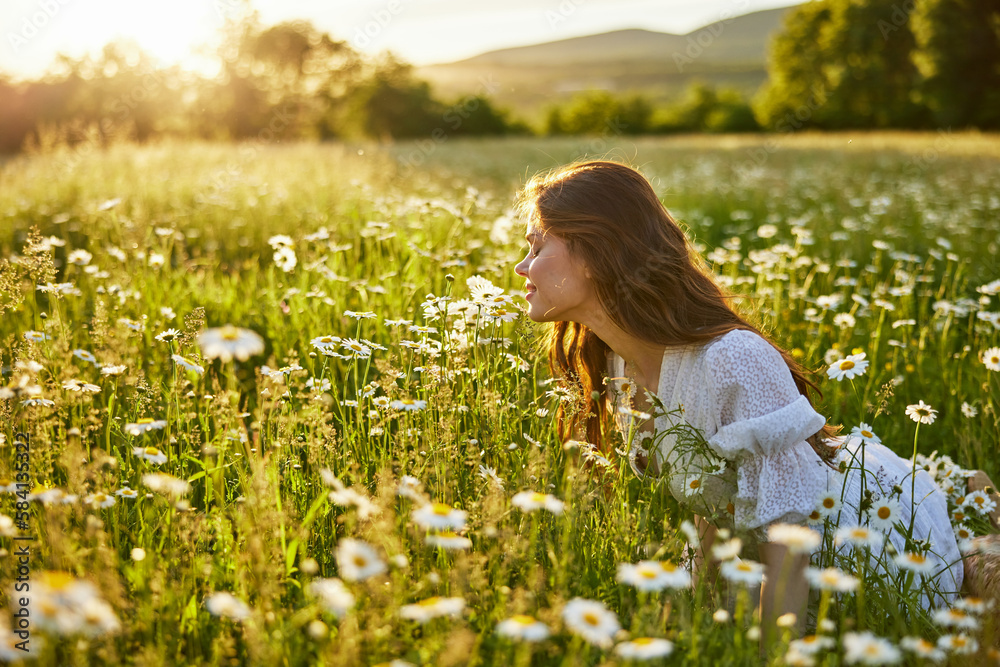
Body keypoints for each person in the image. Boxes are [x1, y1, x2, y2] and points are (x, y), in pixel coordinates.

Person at [512, 160, 999, 633]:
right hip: (750, 546)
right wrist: (694, 599)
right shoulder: (614, 365)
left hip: (858, 543)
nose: (521, 266)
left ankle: (965, 514)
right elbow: (709, 495)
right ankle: (965, 495)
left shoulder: (733, 359)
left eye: (537, 247)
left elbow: (794, 537)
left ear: (597, 252)